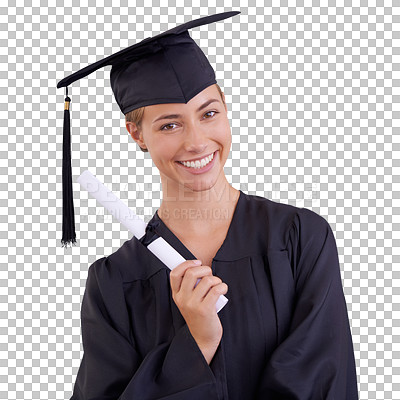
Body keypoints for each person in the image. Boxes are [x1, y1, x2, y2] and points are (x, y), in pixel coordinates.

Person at [58, 11, 358, 400]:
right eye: (169, 124)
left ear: (226, 109)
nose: (197, 141)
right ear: (137, 134)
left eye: (209, 113)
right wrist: (197, 344)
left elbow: (323, 384)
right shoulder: (115, 282)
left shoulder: (300, 239)